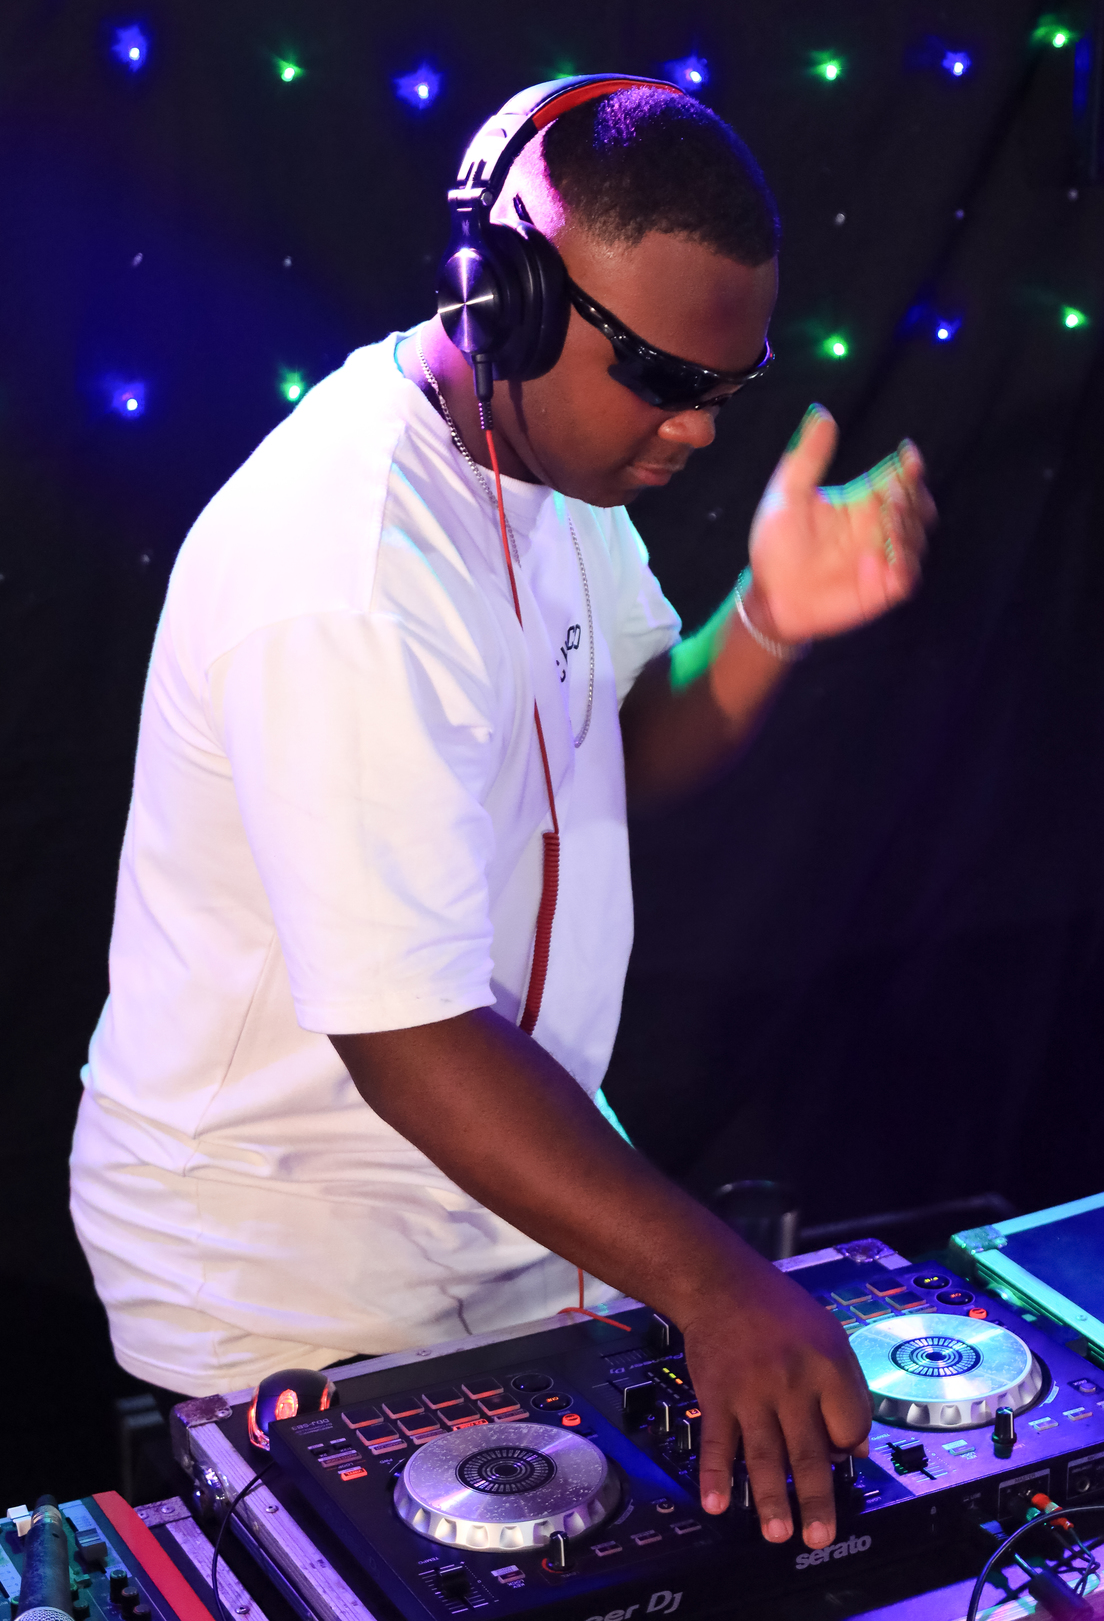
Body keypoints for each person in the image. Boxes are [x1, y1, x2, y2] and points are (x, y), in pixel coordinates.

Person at [70, 77, 934, 1554]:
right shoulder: (348, 578)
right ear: (509, 299)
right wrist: (715, 1282)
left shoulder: (560, 470)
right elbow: (407, 1039)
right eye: (660, 378)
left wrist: (767, 620)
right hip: (292, 1269)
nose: (696, 429)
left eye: (726, 388)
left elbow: (614, 751)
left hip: (508, 1215)